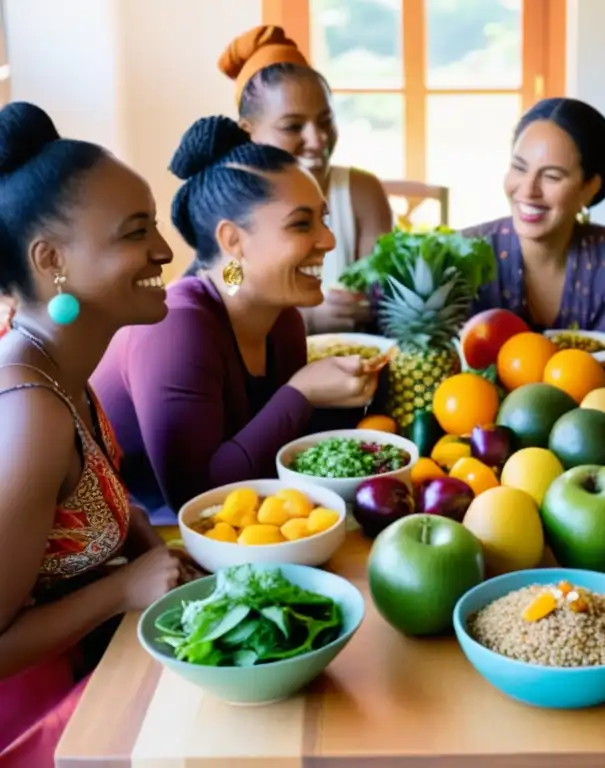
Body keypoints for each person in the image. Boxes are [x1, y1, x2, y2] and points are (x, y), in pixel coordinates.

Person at [0, 102, 191, 765]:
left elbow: (84, 510)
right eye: (136, 232)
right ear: (51, 260)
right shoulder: (28, 413)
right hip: (37, 726)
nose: (166, 251)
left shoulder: (61, 371)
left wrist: (143, 537)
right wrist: (123, 587)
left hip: (89, 668)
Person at [91, 117, 388, 527]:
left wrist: (345, 395)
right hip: (139, 546)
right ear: (233, 241)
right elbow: (198, 500)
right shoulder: (175, 328)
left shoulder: (282, 319)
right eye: (302, 224)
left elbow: (274, 452)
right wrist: (301, 392)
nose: (329, 241)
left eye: (324, 219)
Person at [219, 25, 394, 335]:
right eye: (293, 127)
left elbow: (381, 290)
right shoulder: (226, 206)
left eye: (326, 121)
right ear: (247, 133)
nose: (317, 140)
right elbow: (225, 292)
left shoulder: (361, 193)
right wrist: (306, 320)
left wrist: (365, 305)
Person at [463, 97, 605, 337]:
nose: (528, 190)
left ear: (589, 188)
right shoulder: (464, 254)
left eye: (551, 176)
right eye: (519, 168)